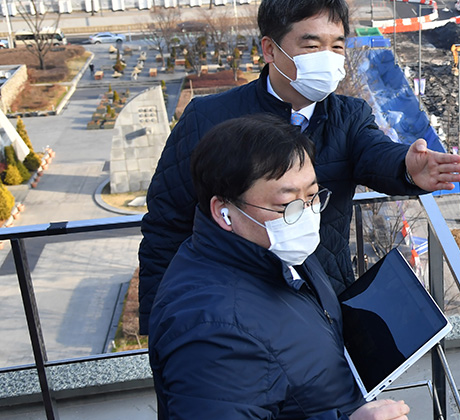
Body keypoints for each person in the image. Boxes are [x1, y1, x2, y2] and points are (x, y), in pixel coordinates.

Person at [138, 0, 460, 333]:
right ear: (270, 49)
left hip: (323, 300)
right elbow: (166, 223)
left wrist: (407, 167)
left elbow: (374, 152)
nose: (327, 58)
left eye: (337, 46)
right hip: (233, 304)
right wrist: (162, 321)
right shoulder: (208, 119)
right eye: (311, 45)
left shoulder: (348, 115)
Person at [149, 114, 410, 420]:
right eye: (287, 206)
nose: (308, 215)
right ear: (224, 212)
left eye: (312, 196)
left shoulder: (275, 251)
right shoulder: (213, 331)